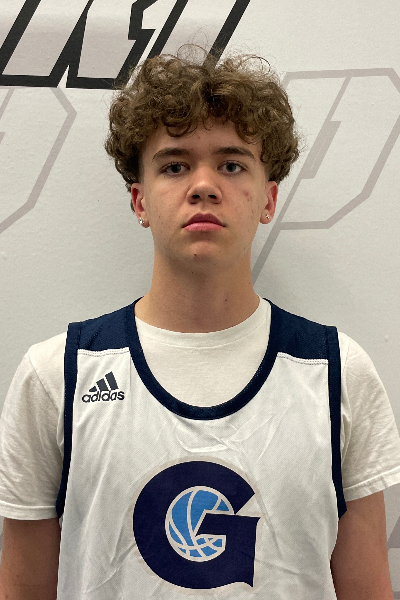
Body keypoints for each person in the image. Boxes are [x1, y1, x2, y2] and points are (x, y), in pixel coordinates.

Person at [0, 47, 400, 600]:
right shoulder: (56, 377)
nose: (204, 185)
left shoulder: (337, 374)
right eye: (175, 165)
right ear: (139, 201)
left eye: (232, 165)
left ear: (268, 198)